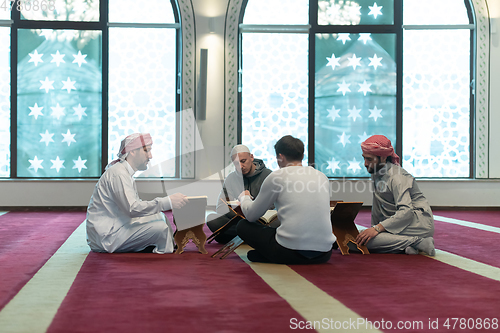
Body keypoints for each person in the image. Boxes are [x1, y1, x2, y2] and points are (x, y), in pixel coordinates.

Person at [236, 135, 336, 264]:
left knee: (243, 226)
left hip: (289, 250)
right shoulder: (322, 176)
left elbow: (251, 215)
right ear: (302, 155)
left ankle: (273, 256)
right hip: (324, 254)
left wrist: (245, 198)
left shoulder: (277, 176)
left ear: (280, 157)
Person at [86, 133, 189, 254]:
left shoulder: (123, 172)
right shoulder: (118, 174)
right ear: (133, 151)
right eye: (147, 151)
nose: (150, 156)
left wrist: (165, 203)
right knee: (161, 229)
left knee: (160, 216)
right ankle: (164, 253)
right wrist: (168, 201)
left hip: (116, 225)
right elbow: (132, 209)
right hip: (107, 236)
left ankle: (167, 245)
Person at [355, 135, 435, 255]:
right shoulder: (376, 172)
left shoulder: (397, 177)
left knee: (363, 242)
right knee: (355, 240)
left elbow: (406, 212)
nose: (365, 164)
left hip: (416, 224)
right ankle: (407, 246)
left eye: (369, 159)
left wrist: (377, 230)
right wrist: (373, 230)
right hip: (395, 223)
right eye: (364, 159)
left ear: (382, 158)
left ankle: (417, 241)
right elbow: (377, 204)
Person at [206, 144, 272, 244]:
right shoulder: (231, 178)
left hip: (260, 220)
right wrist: (240, 211)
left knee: (277, 223)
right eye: (236, 163)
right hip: (239, 221)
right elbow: (220, 207)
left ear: (251, 157)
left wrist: (252, 207)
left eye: (243, 161)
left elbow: (274, 206)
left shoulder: (268, 175)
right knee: (212, 219)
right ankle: (249, 235)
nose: (240, 166)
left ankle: (236, 236)